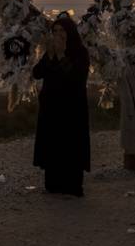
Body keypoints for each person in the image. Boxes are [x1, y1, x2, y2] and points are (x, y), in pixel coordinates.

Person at [32, 13, 91, 197]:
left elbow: (77, 78)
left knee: (71, 145)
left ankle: (72, 186)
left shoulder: (80, 52)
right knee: (52, 144)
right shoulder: (50, 51)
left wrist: (62, 55)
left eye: (62, 30)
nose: (58, 34)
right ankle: (53, 184)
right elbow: (37, 73)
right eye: (55, 30)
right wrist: (50, 56)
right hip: (51, 108)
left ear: (70, 32)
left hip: (72, 109)